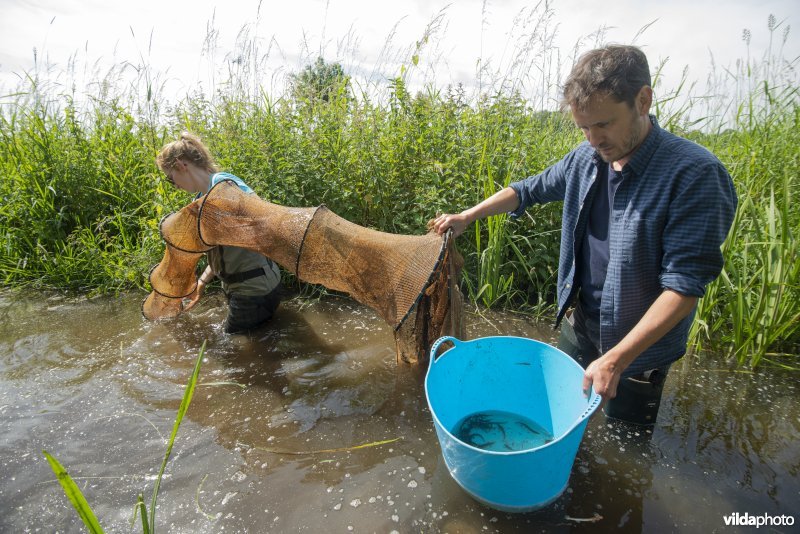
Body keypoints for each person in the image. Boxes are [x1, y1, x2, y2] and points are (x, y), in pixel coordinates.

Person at [432, 45, 737, 426]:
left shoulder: (694, 175)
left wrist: (617, 359)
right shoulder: (587, 158)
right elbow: (528, 190)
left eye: (604, 124)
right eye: (584, 127)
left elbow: (682, 289)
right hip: (582, 326)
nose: (594, 139)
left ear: (643, 101)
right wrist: (467, 215)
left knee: (624, 454)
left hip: (639, 354)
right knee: (557, 420)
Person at [155, 133, 283, 334]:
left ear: (181, 165)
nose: (176, 186)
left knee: (232, 353)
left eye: (171, 179)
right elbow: (220, 250)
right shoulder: (202, 197)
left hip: (253, 290)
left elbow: (262, 214)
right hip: (251, 287)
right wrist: (202, 282)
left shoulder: (222, 183)